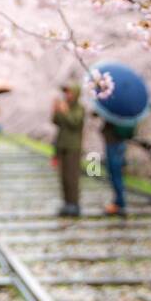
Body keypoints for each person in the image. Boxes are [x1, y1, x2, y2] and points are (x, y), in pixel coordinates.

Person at [51, 83, 83, 216]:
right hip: (61, 145)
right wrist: (56, 110)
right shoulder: (66, 106)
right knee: (63, 177)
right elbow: (56, 121)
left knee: (72, 177)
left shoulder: (79, 108)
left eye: (70, 92)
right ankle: (66, 203)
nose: (67, 95)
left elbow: (74, 122)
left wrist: (65, 111)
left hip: (73, 147)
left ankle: (74, 204)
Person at [101, 118, 134, 217]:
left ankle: (119, 203)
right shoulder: (124, 113)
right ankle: (118, 202)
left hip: (114, 143)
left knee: (115, 174)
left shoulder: (115, 114)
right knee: (116, 174)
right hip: (117, 143)